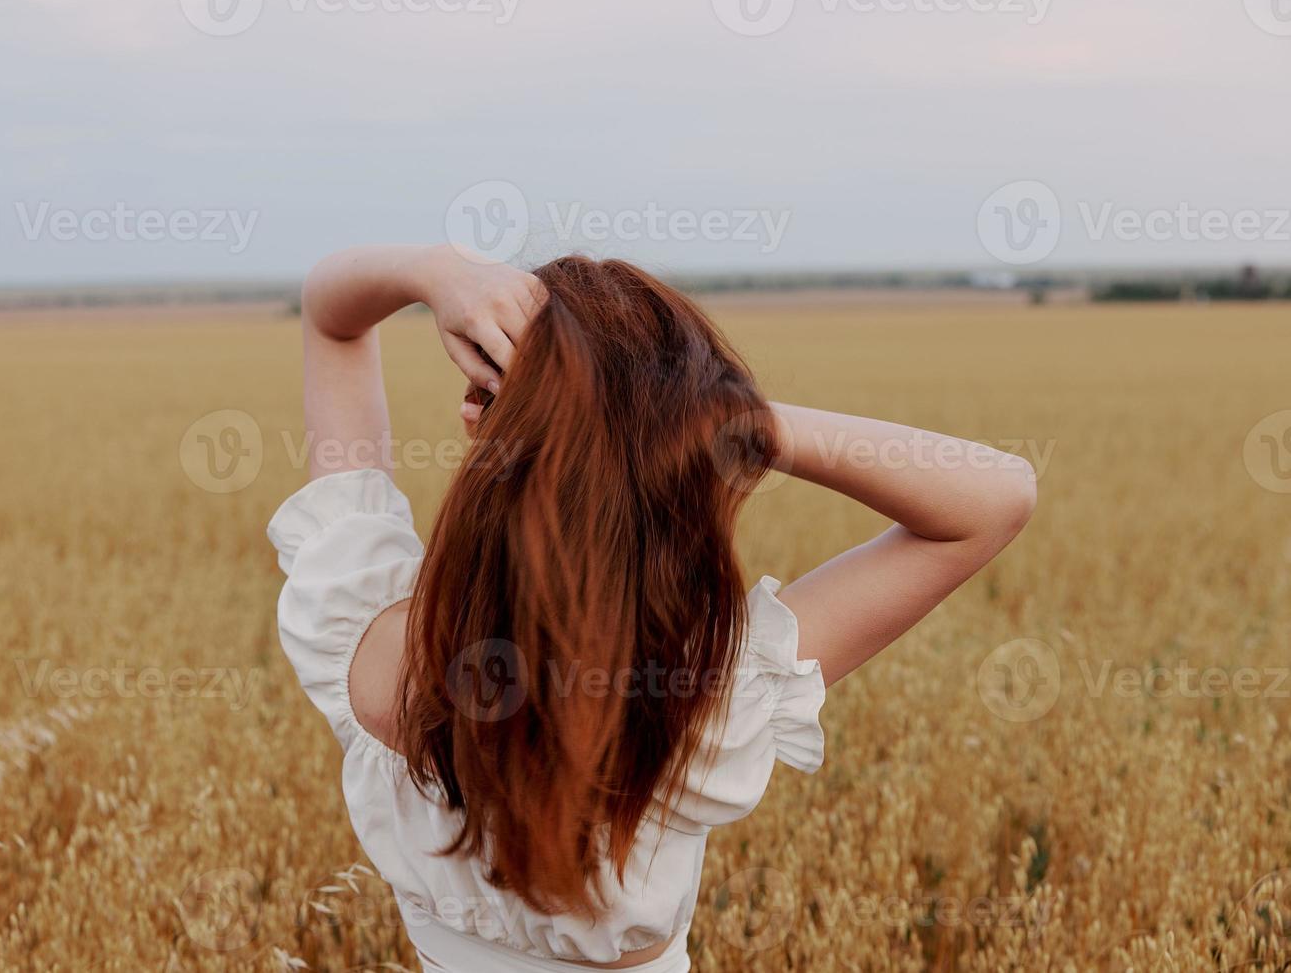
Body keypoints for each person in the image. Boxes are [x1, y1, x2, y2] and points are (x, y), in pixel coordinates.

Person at [268, 244, 1037, 972]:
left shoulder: (363, 632)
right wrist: (742, 421)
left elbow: (333, 318)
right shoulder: (697, 707)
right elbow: (996, 497)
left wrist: (436, 270)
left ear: (479, 414)